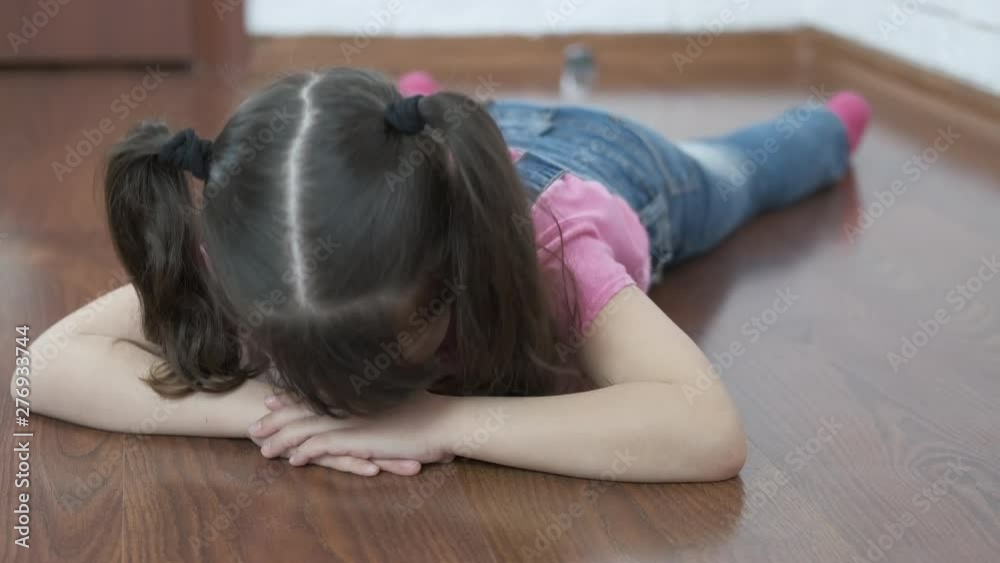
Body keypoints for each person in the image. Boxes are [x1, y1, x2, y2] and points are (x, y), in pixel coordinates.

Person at [20, 68, 870, 481]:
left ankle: (829, 125)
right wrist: (260, 414)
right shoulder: (261, 257)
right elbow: (41, 366)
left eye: (380, 359)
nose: (349, 402)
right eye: (315, 371)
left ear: (452, 275)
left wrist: (441, 420)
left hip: (616, 164)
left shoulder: (551, 250)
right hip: (443, 138)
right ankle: (419, 94)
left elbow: (707, 428)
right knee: (411, 139)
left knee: (742, 171)